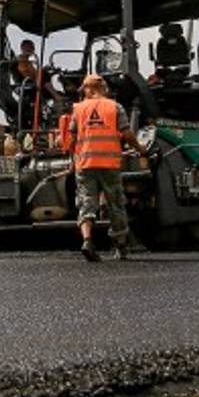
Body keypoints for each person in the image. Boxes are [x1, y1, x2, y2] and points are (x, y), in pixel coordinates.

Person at [65, 74, 148, 262]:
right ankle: (120, 246)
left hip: (85, 164)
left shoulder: (78, 109)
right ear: (103, 88)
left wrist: (73, 160)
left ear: (89, 89)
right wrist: (141, 149)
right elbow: (127, 133)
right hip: (109, 164)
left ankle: (87, 241)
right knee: (116, 205)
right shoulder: (115, 107)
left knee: (86, 203)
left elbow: (71, 138)